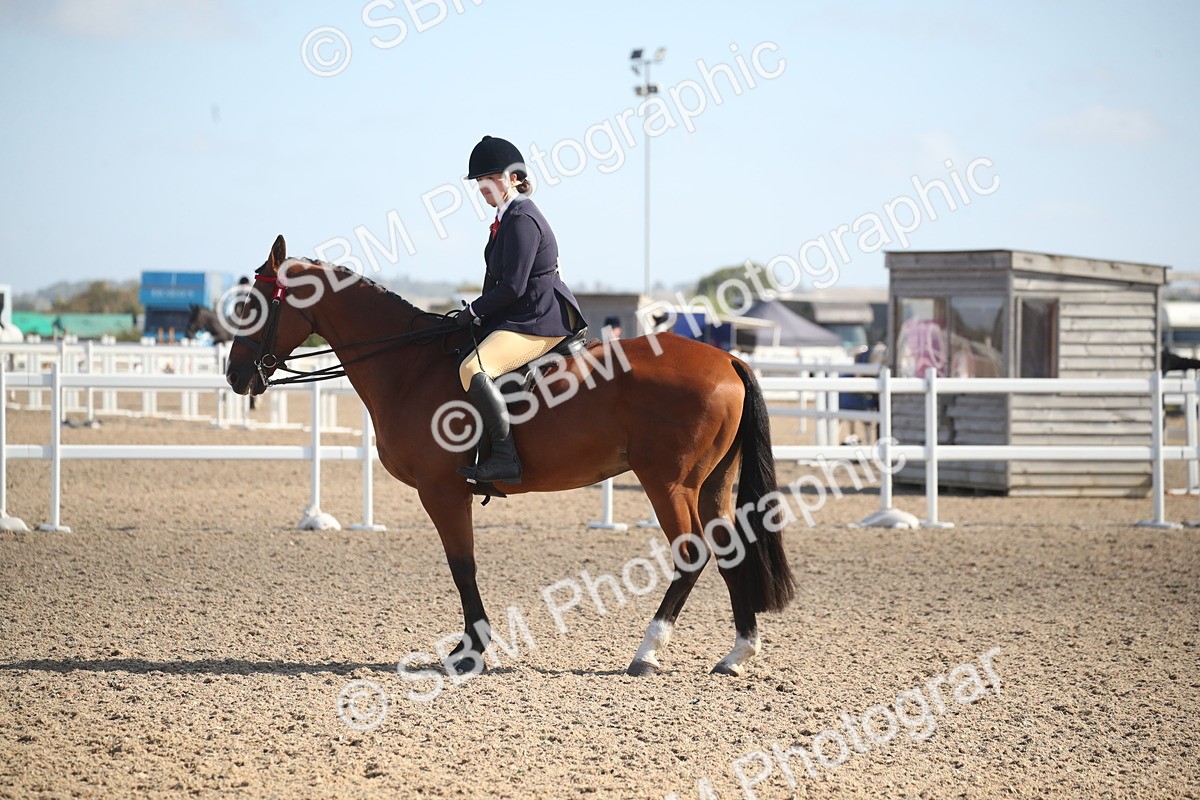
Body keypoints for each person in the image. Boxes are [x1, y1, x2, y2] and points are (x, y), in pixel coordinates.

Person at [454, 135, 586, 485]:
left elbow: (512, 285)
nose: (484, 185)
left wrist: (473, 312)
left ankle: (503, 457)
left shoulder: (522, 218)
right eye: (480, 181)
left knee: (474, 368)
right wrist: (471, 318)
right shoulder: (504, 217)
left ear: (514, 177)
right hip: (520, 315)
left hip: (538, 318)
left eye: (491, 178)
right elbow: (495, 281)